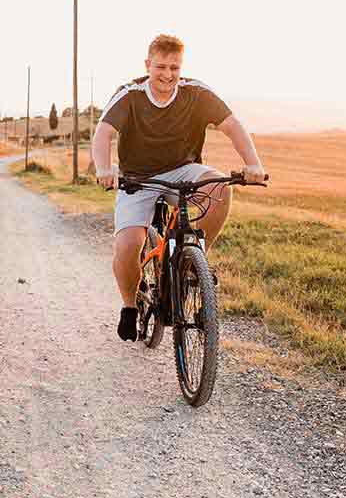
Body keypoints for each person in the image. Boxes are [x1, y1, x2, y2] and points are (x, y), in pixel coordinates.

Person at [91, 34, 266, 341]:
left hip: (183, 170)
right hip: (137, 178)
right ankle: (130, 306)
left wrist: (254, 164)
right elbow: (103, 133)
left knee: (220, 189)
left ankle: (195, 261)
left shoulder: (195, 92)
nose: (168, 75)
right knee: (129, 244)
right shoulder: (130, 94)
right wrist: (105, 170)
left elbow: (231, 125)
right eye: (161, 67)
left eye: (174, 67)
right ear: (148, 65)